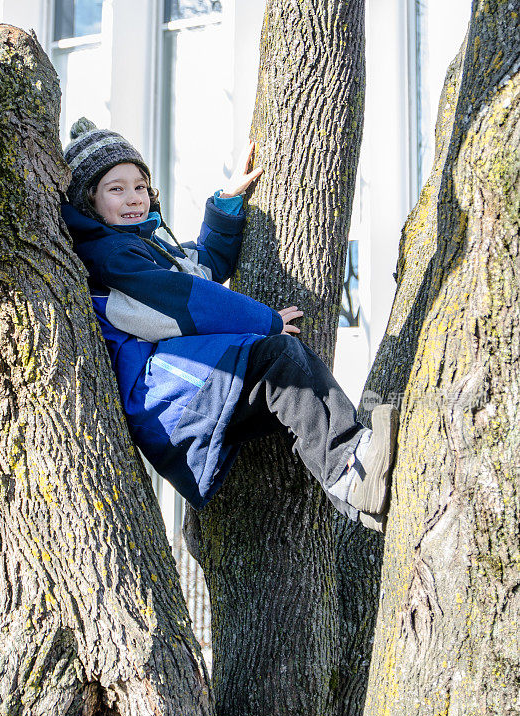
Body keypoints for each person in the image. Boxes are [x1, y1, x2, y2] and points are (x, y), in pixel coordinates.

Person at [61, 119, 398, 532]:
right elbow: (185, 301)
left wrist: (226, 203)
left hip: (186, 388)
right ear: (88, 200)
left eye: (141, 186)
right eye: (116, 189)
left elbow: (202, 266)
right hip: (165, 396)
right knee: (279, 358)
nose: (134, 198)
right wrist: (265, 320)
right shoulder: (111, 257)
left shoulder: (144, 245)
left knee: (285, 384)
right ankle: (351, 468)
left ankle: (355, 491)